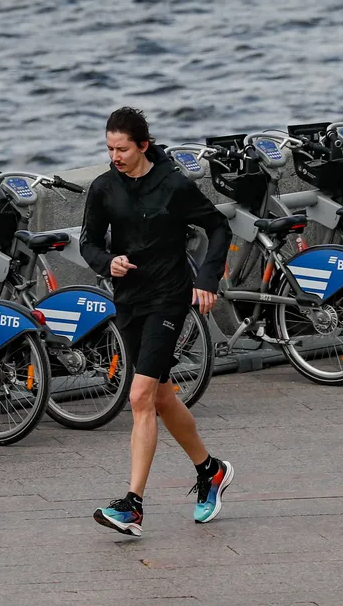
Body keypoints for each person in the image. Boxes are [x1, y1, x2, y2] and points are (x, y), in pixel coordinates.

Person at [80, 107, 234, 537]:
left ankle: (132, 506)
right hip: (129, 301)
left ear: (143, 145)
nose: (115, 156)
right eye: (109, 148)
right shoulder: (104, 188)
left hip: (169, 298)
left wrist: (206, 278)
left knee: (141, 396)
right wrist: (107, 262)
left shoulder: (173, 186)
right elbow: (88, 242)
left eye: (123, 148)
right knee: (163, 398)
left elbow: (218, 227)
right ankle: (211, 470)